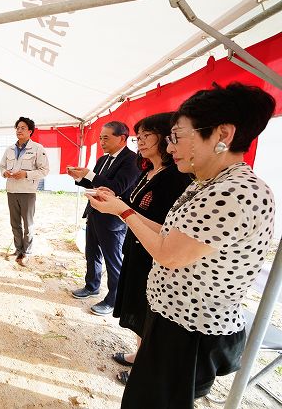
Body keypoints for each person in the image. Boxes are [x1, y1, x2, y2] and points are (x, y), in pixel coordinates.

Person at [87, 82, 276, 408]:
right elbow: (171, 235)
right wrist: (121, 207)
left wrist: (123, 210)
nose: (170, 148)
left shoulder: (232, 192)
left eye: (178, 137)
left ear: (222, 135)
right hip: (174, 320)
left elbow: (168, 254)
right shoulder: (211, 182)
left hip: (190, 330)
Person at [107, 113, 192, 384]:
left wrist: (121, 210)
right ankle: (139, 354)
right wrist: (115, 201)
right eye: (138, 136)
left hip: (154, 253)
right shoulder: (147, 171)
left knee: (149, 310)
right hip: (136, 246)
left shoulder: (176, 177)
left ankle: (144, 367)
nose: (140, 142)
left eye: (146, 136)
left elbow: (165, 225)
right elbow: (131, 205)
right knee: (139, 304)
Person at [67, 121, 140, 315]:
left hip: (113, 218)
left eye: (106, 138)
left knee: (113, 259)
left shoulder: (131, 160)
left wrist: (89, 174)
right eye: (100, 138)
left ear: (122, 138)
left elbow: (116, 188)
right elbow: (95, 183)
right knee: (92, 252)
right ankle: (92, 285)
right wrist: (78, 177)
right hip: (94, 212)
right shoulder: (103, 159)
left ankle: (114, 298)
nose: (101, 142)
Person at [0, 117, 49, 265]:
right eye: (17, 128)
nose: (19, 130)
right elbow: (2, 167)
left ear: (30, 131)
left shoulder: (37, 149)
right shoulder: (9, 149)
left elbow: (44, 170)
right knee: (15, 223)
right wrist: (5, 173)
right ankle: (18, 249)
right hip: (11, 191)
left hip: (27, 192)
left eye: (22, 128)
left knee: (28, 224)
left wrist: (26, 174)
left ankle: (27, 252)